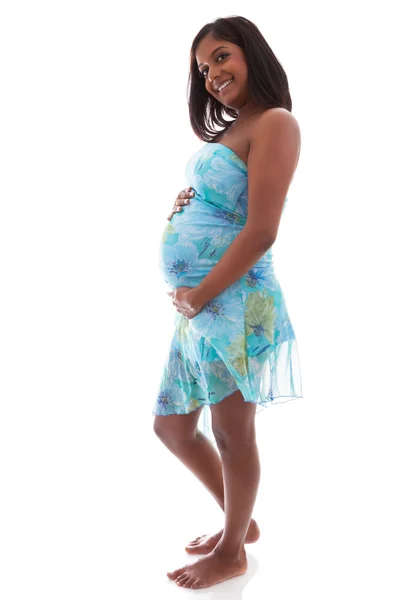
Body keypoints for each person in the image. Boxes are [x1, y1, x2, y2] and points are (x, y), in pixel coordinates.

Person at [153, 15, 303, 589]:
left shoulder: (276, 122)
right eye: (202, 68)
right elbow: (229, 202)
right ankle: (242, 521)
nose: (212, 74)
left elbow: (262, 230)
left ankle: (232, 551)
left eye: (221, 57)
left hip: (234, 302)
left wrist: (199, 292)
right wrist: (191, 202)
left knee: (232, 431)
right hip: (201, 308)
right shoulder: (234, 129)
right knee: (172, 427)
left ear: (250, 54)